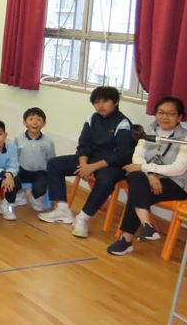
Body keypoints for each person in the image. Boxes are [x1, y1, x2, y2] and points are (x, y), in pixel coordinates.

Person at [39, 86, 134, 238]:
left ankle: (82, 218)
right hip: (90, 160)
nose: (100, 106)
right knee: (54, 164)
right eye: (96, 102)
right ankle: (63, 210)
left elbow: (122, 155)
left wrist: (92, 167)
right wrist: (84, 165)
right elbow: (83, 145)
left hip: (111, 165)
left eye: (104, 101)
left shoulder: (123, 123)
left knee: (105, 180)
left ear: (115, 102)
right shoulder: (92, 118)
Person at [107, 96, 187, 256]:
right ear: (155, 114)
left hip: (178, 183)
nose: (164, 117)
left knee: (137, 189)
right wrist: (149, 174)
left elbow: (178, 169)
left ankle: (127, 239)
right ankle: (146, 226)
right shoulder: (149, 132)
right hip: (149, 178)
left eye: (171, 114)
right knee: (136, 179)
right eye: (161, 112)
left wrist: (145, 169)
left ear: (179, 117)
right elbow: (137, 157)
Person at [15, 107, 55, 211]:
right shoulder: (19, 138)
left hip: (40, 173)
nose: (35, 122)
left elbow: (51, 160)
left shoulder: (48, 142)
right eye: (31, 119)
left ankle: (33, 197)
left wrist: (51, 175)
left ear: (44, 124)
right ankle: (20, 195)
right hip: (22, 170)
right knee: (13, 181)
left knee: (40, 189)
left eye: (39, 120)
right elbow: (14, 157)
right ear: (24, 122)